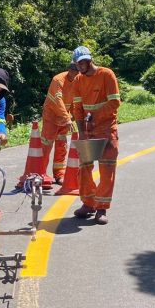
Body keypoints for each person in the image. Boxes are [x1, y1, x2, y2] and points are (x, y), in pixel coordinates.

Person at [70, 46, 121, 225]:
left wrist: (95, 116)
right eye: (78, 63)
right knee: (84, 168)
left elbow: (114, 102)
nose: (82, 65)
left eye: (84, 61)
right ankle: (88, 203)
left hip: (107, 130)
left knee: (107, 170)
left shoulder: (107, 75)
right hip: (88, 130)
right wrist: (82, 132)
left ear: (90, 59)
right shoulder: (77, 80)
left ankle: (101, 208)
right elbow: (77, 108)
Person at [40, 63, 79, 184]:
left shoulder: (78, 80)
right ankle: (41, 174)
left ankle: (59, 174)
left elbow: (76, 100)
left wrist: (76, 116)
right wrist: (67, 118)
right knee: (46, 146)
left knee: (62, 146)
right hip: (51, 117)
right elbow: (58, 100)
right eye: (75, 71)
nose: (77, 74)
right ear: (70, 70)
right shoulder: (58, 80)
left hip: (64, 118)